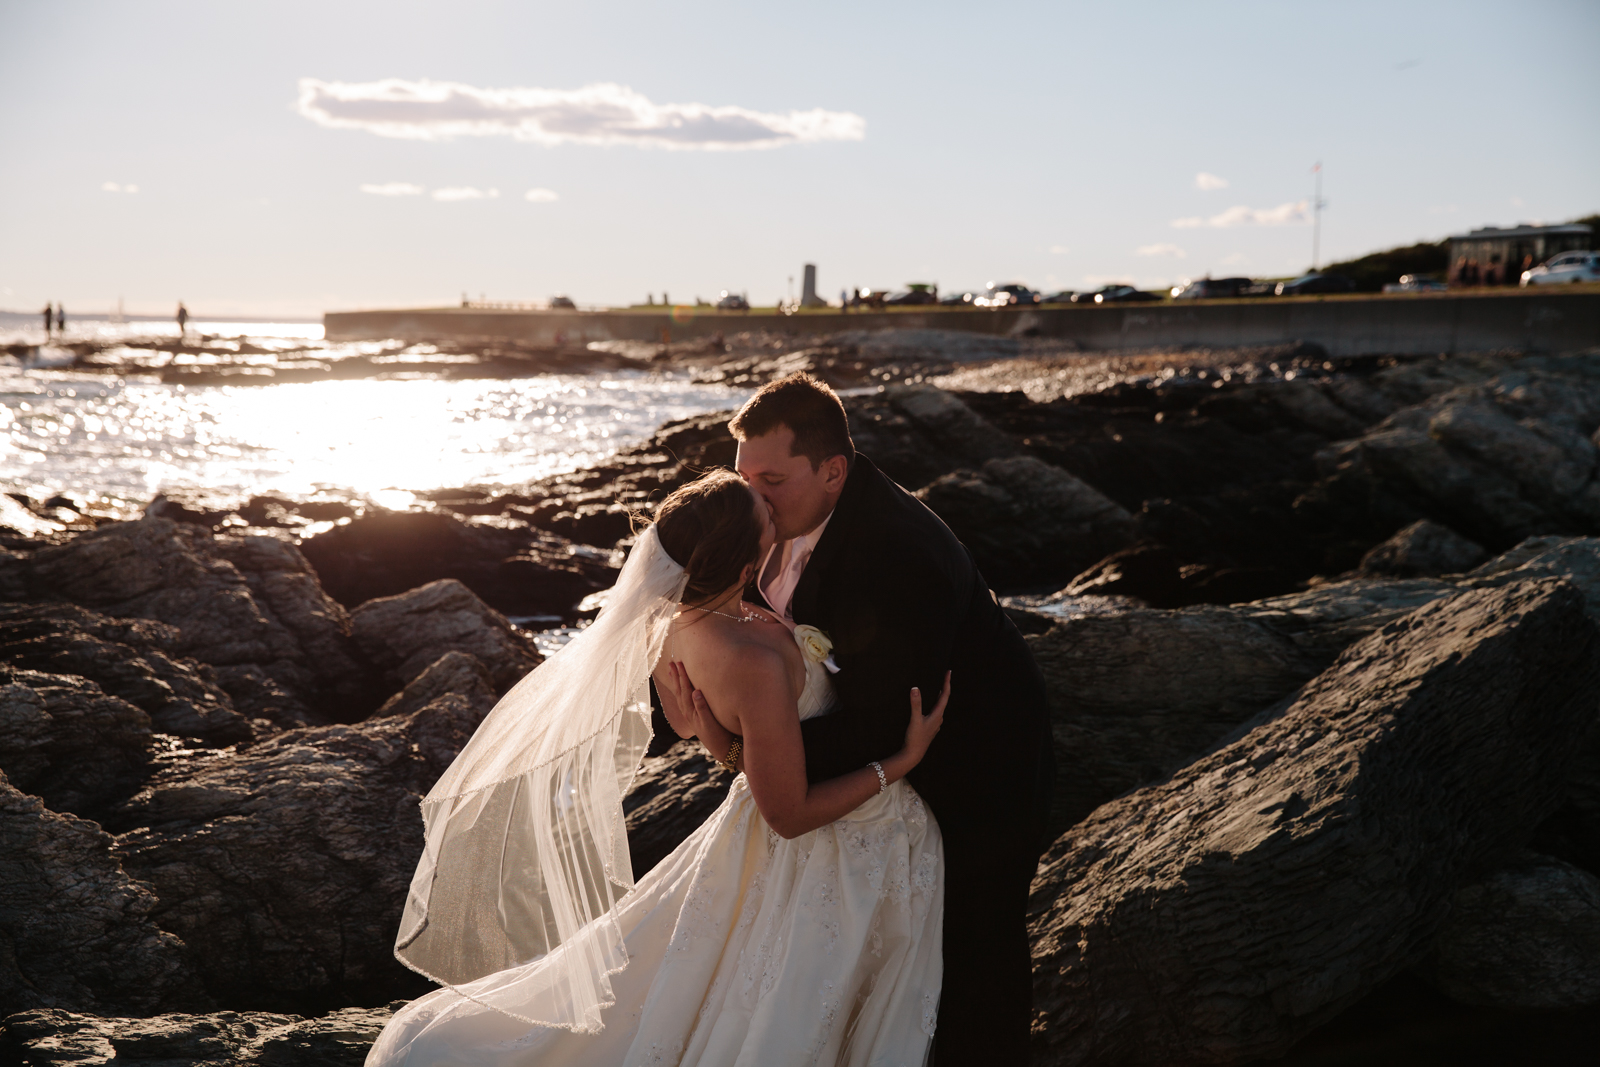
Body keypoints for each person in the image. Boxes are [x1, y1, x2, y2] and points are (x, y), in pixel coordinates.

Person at [367, 469, 951, 1067]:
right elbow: (789, 815)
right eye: (763, 514)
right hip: (831, 844)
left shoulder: (680, 624)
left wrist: (713, 737)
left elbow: (742, 754)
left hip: (753, 832)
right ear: (744, 564)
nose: (773, 507)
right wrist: (898, 762)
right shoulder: (749, 657)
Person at [686, 372, 1055, 1064]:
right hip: (881, 780)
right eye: (742, 476)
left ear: (833, 470)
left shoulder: (896, 553)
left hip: (977, 774)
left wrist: (745, 749)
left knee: (973, 963)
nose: (750, 496)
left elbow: (884, 720)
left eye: (771, 478)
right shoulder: (771, 518)